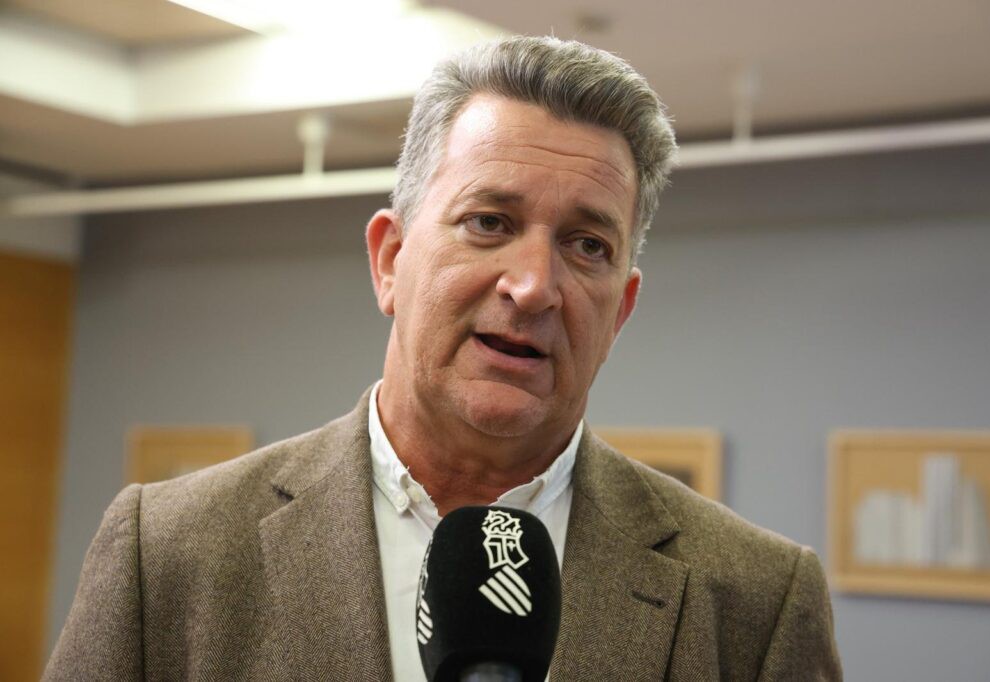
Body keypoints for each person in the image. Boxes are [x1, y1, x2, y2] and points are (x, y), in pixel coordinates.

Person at [45, 36, 842, 680]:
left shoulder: (755, 601)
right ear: (390, 260)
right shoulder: (169, 553)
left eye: (587, 245)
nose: (534, 286)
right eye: (490, 222)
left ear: (620, 312)